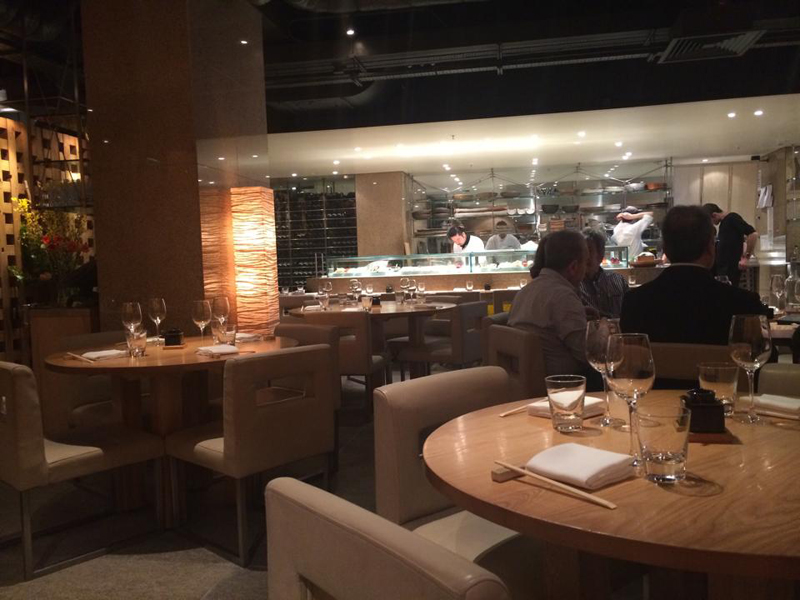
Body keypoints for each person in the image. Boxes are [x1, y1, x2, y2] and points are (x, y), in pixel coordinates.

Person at [620, 206, 768, 345]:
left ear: (665, 249)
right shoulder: (744, 303)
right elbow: (763, 356)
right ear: (710, 247)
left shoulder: (634, 303)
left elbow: (630, 359)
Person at [509, 230, 600, 388]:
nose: (586, 269)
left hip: (523, 382)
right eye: (585, 263)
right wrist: (602, 330)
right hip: (562, 387)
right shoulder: (564, 297)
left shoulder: (525, 291)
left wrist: (578, 314)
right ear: (573, 267)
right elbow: (589, 356)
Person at [702, 203, 758, 287]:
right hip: (723, 271)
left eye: (710, 221)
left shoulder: (732, 218)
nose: (712, 224)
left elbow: (753, 234)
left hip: (730, 270)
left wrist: (746, 258)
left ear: (714, 215)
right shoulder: (723, 224)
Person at [580, 228, 628, 318]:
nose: (583, 256)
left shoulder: (618, 280)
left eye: (588, 251)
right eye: (580, 251)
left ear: (600, 255)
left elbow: (631, 311)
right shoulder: (572, 286)